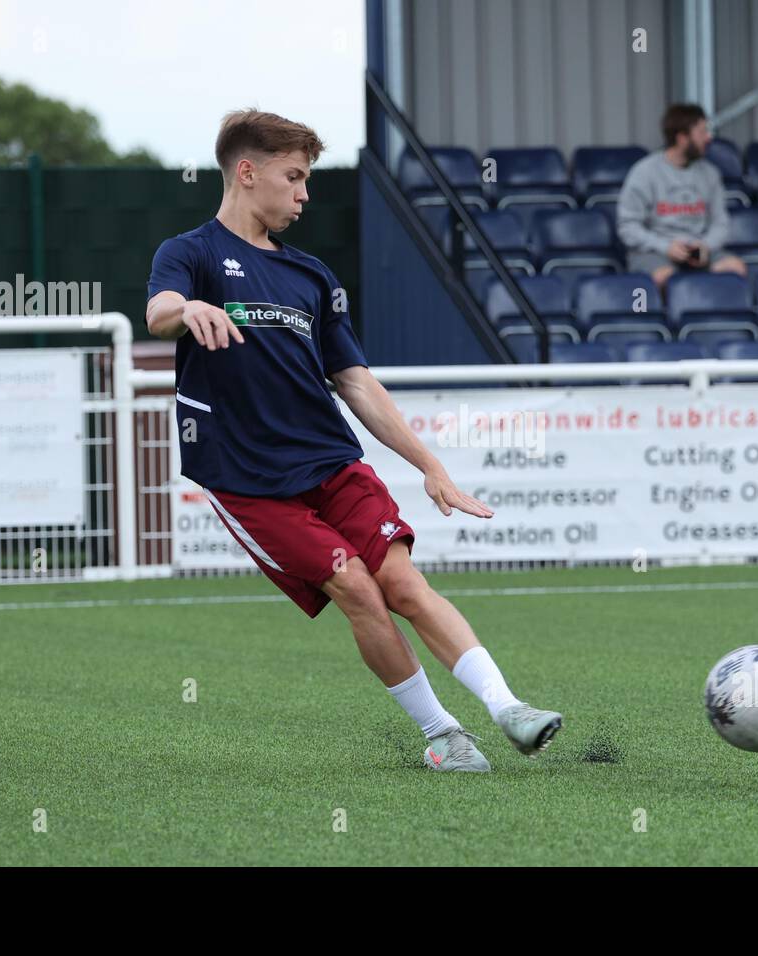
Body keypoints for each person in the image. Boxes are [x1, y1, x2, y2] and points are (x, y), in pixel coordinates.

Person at [145, 110, 562, 773]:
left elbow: (357, 384)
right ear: (247, 174)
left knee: (402, 583)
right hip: (247, 479)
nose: (305, 194)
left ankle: (509, 708)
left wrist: (431, 467)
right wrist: (186, 309)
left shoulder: (313, 277)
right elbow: (159, 310)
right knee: (357, 590)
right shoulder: (190, 253)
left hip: (332, 461)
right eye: (295, 177)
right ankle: (444, 736)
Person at [617, 103, 747, 292]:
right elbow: (627, 227)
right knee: (666, 280)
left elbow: (721, 223)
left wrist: (705, 246)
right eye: (702, 133)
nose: (709, 138)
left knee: (735, 270)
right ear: (682, 138)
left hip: (700, 250)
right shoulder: (644, 172)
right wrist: (665, 246)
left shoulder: (710, 173)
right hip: (656, 252)